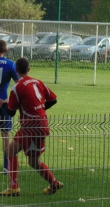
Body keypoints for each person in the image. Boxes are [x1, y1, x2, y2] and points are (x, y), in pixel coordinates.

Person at [0, 57, 63, 196]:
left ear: (16, 71)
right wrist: (40, 109)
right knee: (28, 159)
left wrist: (3, 103)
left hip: (30, 126)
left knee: (15, 154)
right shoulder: (38, 82)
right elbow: (53, 100)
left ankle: (15, 187)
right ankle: (53, 184)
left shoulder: (17, 87)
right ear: (29, 69)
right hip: (40, 124)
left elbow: (10, 112)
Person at [0, 40, 19, 173]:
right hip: (4, 103)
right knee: (5, 134)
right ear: (5, 50)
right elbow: (19, 84)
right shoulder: (11, 64)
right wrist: (10, 100)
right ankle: (6, 166)